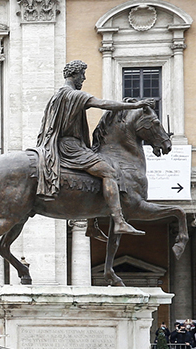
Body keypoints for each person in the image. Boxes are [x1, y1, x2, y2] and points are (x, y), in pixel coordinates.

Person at [35, 59, 154, 236]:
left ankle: (91, 226)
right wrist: (134, 105)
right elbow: (104, 104)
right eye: (82, 75)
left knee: (93, 178)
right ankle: (120, 221)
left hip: (60, 145)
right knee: (109, 172)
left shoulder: (58, 95)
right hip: (71, 147)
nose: (83, 78)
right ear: (74, 75)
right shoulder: (74, 95)